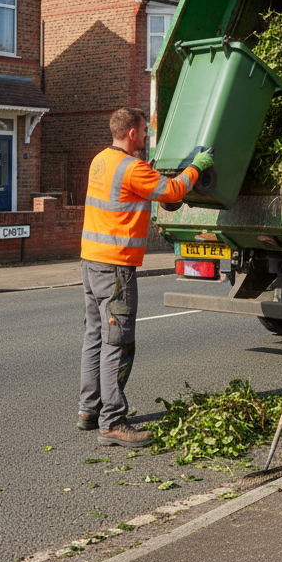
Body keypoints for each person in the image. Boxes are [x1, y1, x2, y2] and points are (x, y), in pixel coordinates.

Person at [79, 107, 214, 446]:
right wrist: (196, 168)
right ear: (133, 134)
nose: (146, 136)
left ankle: (88, 409)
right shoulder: (131, 167)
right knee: (118, 343)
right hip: (116, 267)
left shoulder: (100, 161)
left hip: (92, 261)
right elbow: (172, 192)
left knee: (95, 337)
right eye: (144, 130)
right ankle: (112, 422)